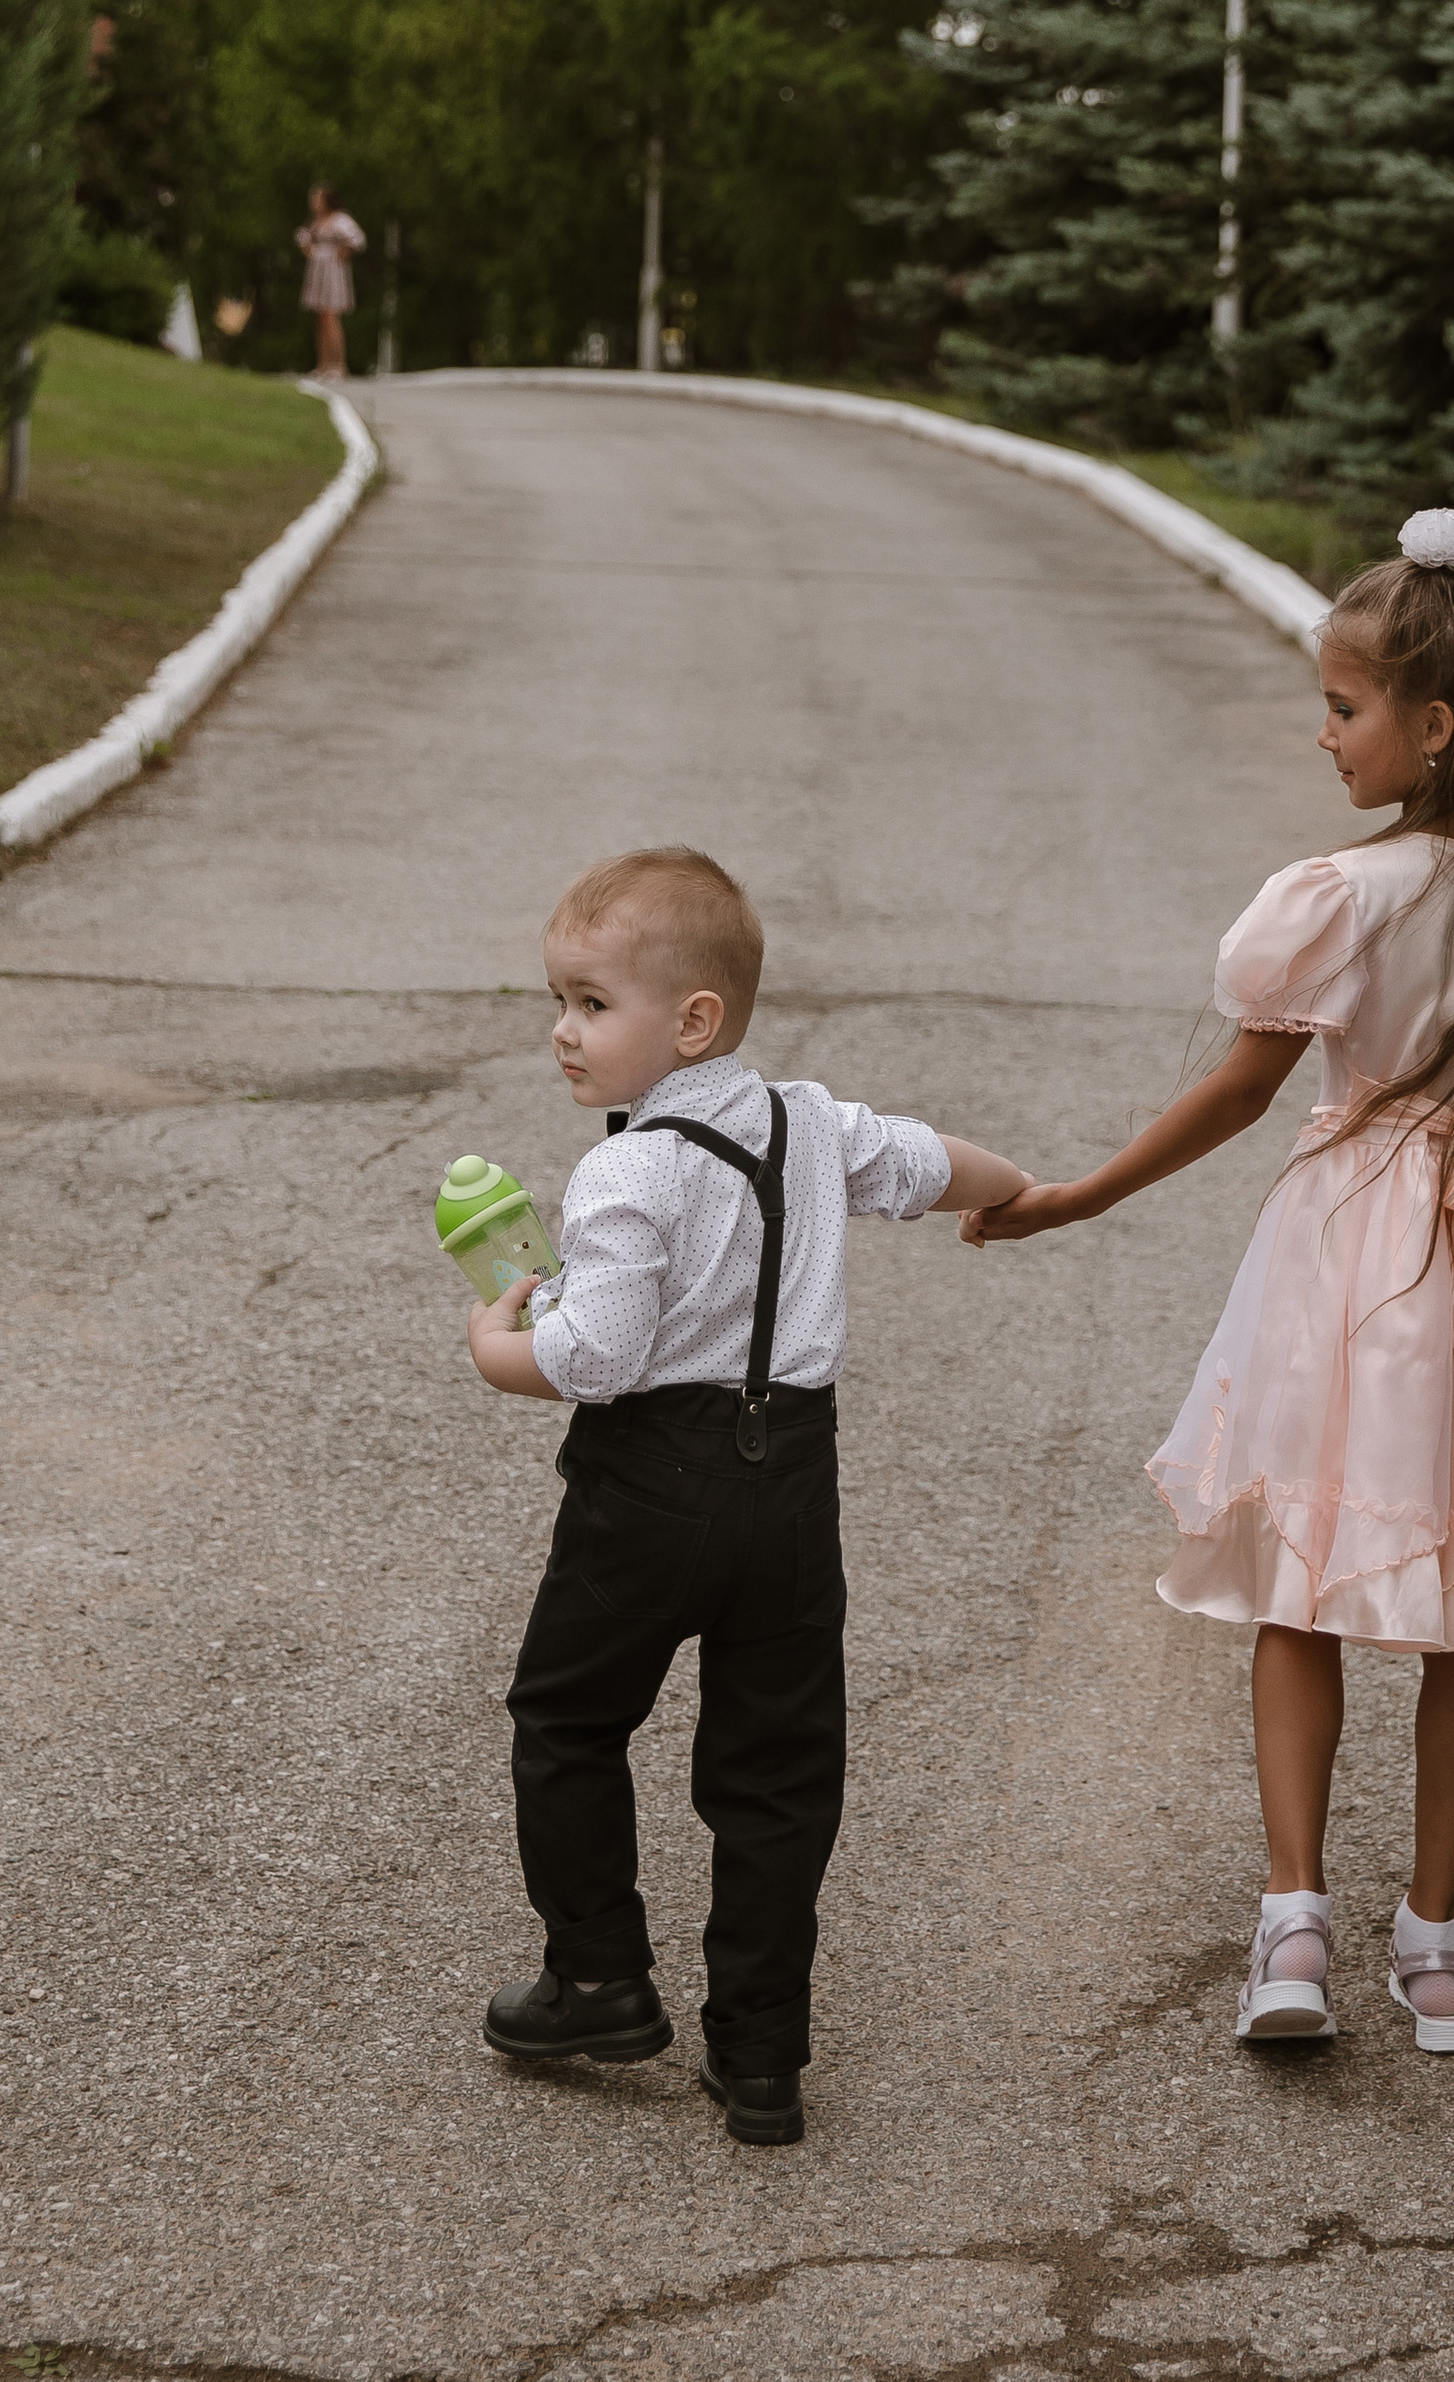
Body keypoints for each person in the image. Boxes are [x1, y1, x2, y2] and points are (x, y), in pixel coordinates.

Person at [966, 508, 1454, 2060]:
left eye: (1346, 709)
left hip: (1356, 1259)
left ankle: (1292, 1922)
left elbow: (1240, 1096)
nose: (1324, 733)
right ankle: (1437, 1942)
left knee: (1301, 1588)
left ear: (1432, 729)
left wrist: (1079, 1195)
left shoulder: (1345, 899)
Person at [468, 844, 1030, 2147]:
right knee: (776, 1770)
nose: (562, 1031)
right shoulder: (810, 1123)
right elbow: (929, 1162)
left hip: (648, 1485)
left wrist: (496, 1349)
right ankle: (762, 2053)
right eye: (556, 1001)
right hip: (793, 1490)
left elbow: (594, 1356)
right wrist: (1016, 1195)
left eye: (591, 1004)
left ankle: (599, 1977)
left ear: (693, 1021)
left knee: (565, 1716)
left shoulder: (626, 1170)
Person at [294, 182, 363, 378]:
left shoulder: (339, 219)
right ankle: (323, 364)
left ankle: (339, 364)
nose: (313, 202)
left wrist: (343, 252)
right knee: (321, 316)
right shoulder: (314, 221)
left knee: (332, 315)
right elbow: (304, 240)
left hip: (333, 269)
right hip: (318, 268)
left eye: (317, 198)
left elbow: (357, 239)